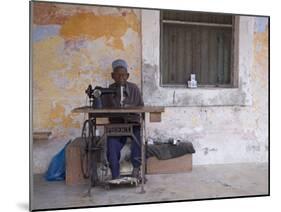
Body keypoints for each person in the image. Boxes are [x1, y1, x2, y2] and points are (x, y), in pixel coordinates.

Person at [104, 59, 144, 180]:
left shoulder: (134, 89)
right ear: (112, 76)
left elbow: (141, 107)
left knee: (137, 140)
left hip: (133, 123)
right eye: (118, 75)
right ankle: (115, 174)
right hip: (116, 124)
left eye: (123, 75)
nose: (121, 77)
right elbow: (105, 109)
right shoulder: (108, 90)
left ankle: (136, 169)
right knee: (111, 143)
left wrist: (130, 109)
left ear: (128, 76)